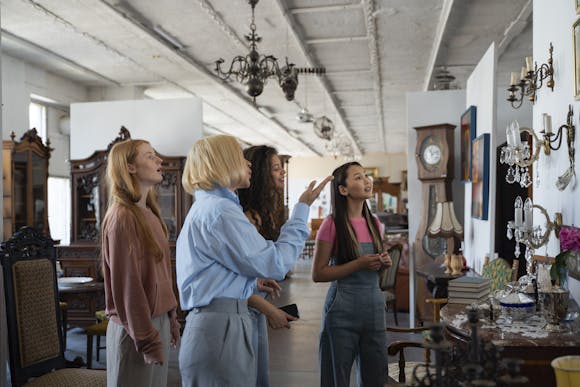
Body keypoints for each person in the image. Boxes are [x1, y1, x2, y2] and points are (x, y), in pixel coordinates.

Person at [177, 135, 332, 386]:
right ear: (222, 163)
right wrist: (302, 209)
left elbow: (216, 270)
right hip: (221, 327)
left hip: (216, 324)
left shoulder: (209, 206)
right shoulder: (221, 210)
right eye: (239, 157)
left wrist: (249, 283)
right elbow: (275, 264)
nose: (247, 163)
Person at [101, 139, 181, 387]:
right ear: (131, 168)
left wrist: (171, 317)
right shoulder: (122, 217)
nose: (159, 160)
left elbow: (161, 274)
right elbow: (129, 287)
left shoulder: (150, 214)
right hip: (135, 329)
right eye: (149, 156)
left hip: (155, 323)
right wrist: (146, 339)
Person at [312, 161, 392, 387]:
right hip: (341, 308)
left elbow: (374, 269)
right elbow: (318, 273)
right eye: (358, 177)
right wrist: (358, 264)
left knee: (376, 375)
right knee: (337, 374)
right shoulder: (331, 224)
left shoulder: (376, 223)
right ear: (343, 190)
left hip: (374, 307)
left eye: (366, 176)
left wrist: (383, 262)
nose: (367, 181)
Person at [237, 145, 287, 387]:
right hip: (238, 314)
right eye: (276, 168)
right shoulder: (244, 217)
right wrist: (269, 310)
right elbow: (230, 280)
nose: (282, 172)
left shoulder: (261, 213)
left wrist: (257, 283)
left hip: (252, 310)